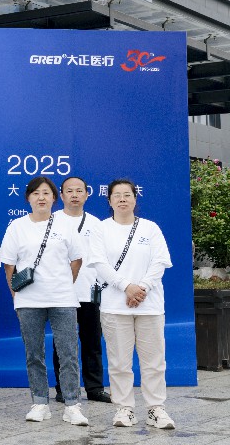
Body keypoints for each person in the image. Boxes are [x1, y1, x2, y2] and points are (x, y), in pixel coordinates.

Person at [0, 177, 89, 426]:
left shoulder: (65, 225)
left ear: (54, 198)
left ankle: (72, 405)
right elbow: (9, 265)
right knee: (34, 354)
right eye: (36, 193)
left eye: (46, 193)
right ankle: (40, 403)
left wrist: (63, 283)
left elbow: (77, 260)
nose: (41, 198)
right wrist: (16, 294)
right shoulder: (17, 226)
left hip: (63, 299)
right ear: (28, 198)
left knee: (69, 353)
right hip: (29, 300)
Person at [87, 179, 175, 430]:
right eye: (117, 195)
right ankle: (124, 408)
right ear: (109, 200)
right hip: (115, 306)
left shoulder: (150, 228)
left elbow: (160, 262)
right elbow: (99, 264)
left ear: (135, 199)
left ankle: (156, 408)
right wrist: (126, 286)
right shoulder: (101, 229)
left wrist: (141, 288)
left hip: (150, 305)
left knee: (154, 361)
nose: (122, 199)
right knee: (119, 361)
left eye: (127, 194)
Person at [52, 176, 110, 404]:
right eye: (69, 191)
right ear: (61, 195)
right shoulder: (52, 221)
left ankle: (94, 388)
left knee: (92, 343)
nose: (74, 195)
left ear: (87, 194)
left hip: (89, 292)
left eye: (79, 191)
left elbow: (104, 258)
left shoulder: (97, 224)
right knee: (62, 344)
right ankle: (63, 389)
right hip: (60, 294)